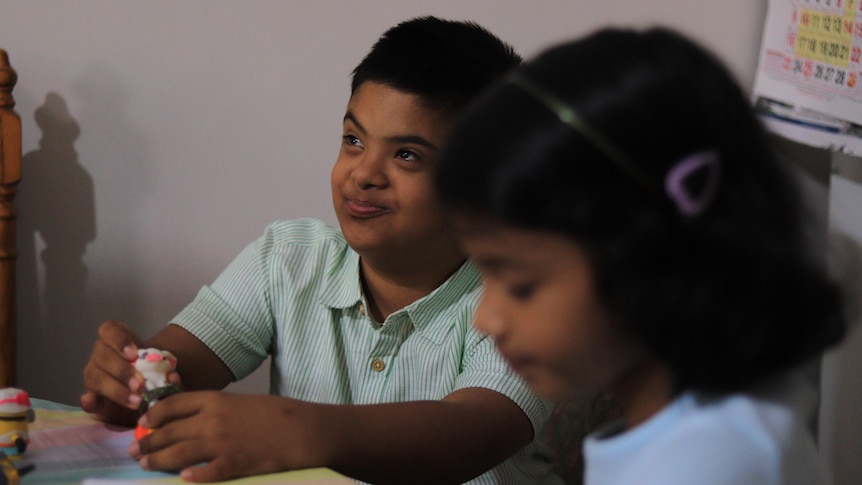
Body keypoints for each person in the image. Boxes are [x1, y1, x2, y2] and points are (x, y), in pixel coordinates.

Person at [82, 16, 559, 484]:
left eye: (406, 155)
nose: (363, 173)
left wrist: (298, 431)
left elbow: (472, 436)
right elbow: (176, 367)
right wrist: (135, 380)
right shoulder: (288, 259)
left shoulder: (523, 299)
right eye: (353, 140)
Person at [434, 27, 848, 485]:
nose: (485, 319)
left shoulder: (707, 465)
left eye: (519, 285)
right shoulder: (697, 429)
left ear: (646, 256)